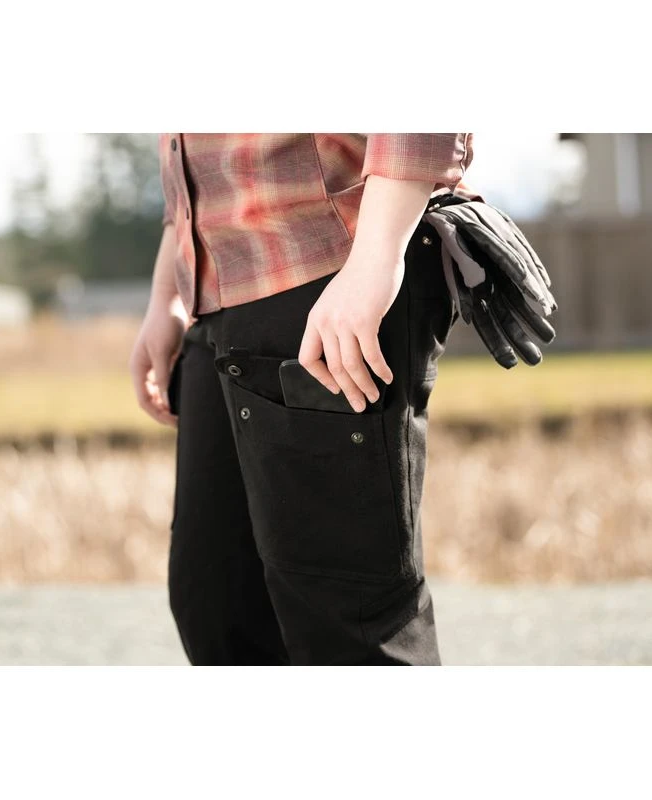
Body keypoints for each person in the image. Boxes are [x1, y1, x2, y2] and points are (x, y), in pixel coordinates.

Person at [130, 133, 475, 665]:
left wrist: (375, 260)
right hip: (217, 292)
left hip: (331, 274)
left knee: (348, 629)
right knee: (218, 609)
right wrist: (169, 292)